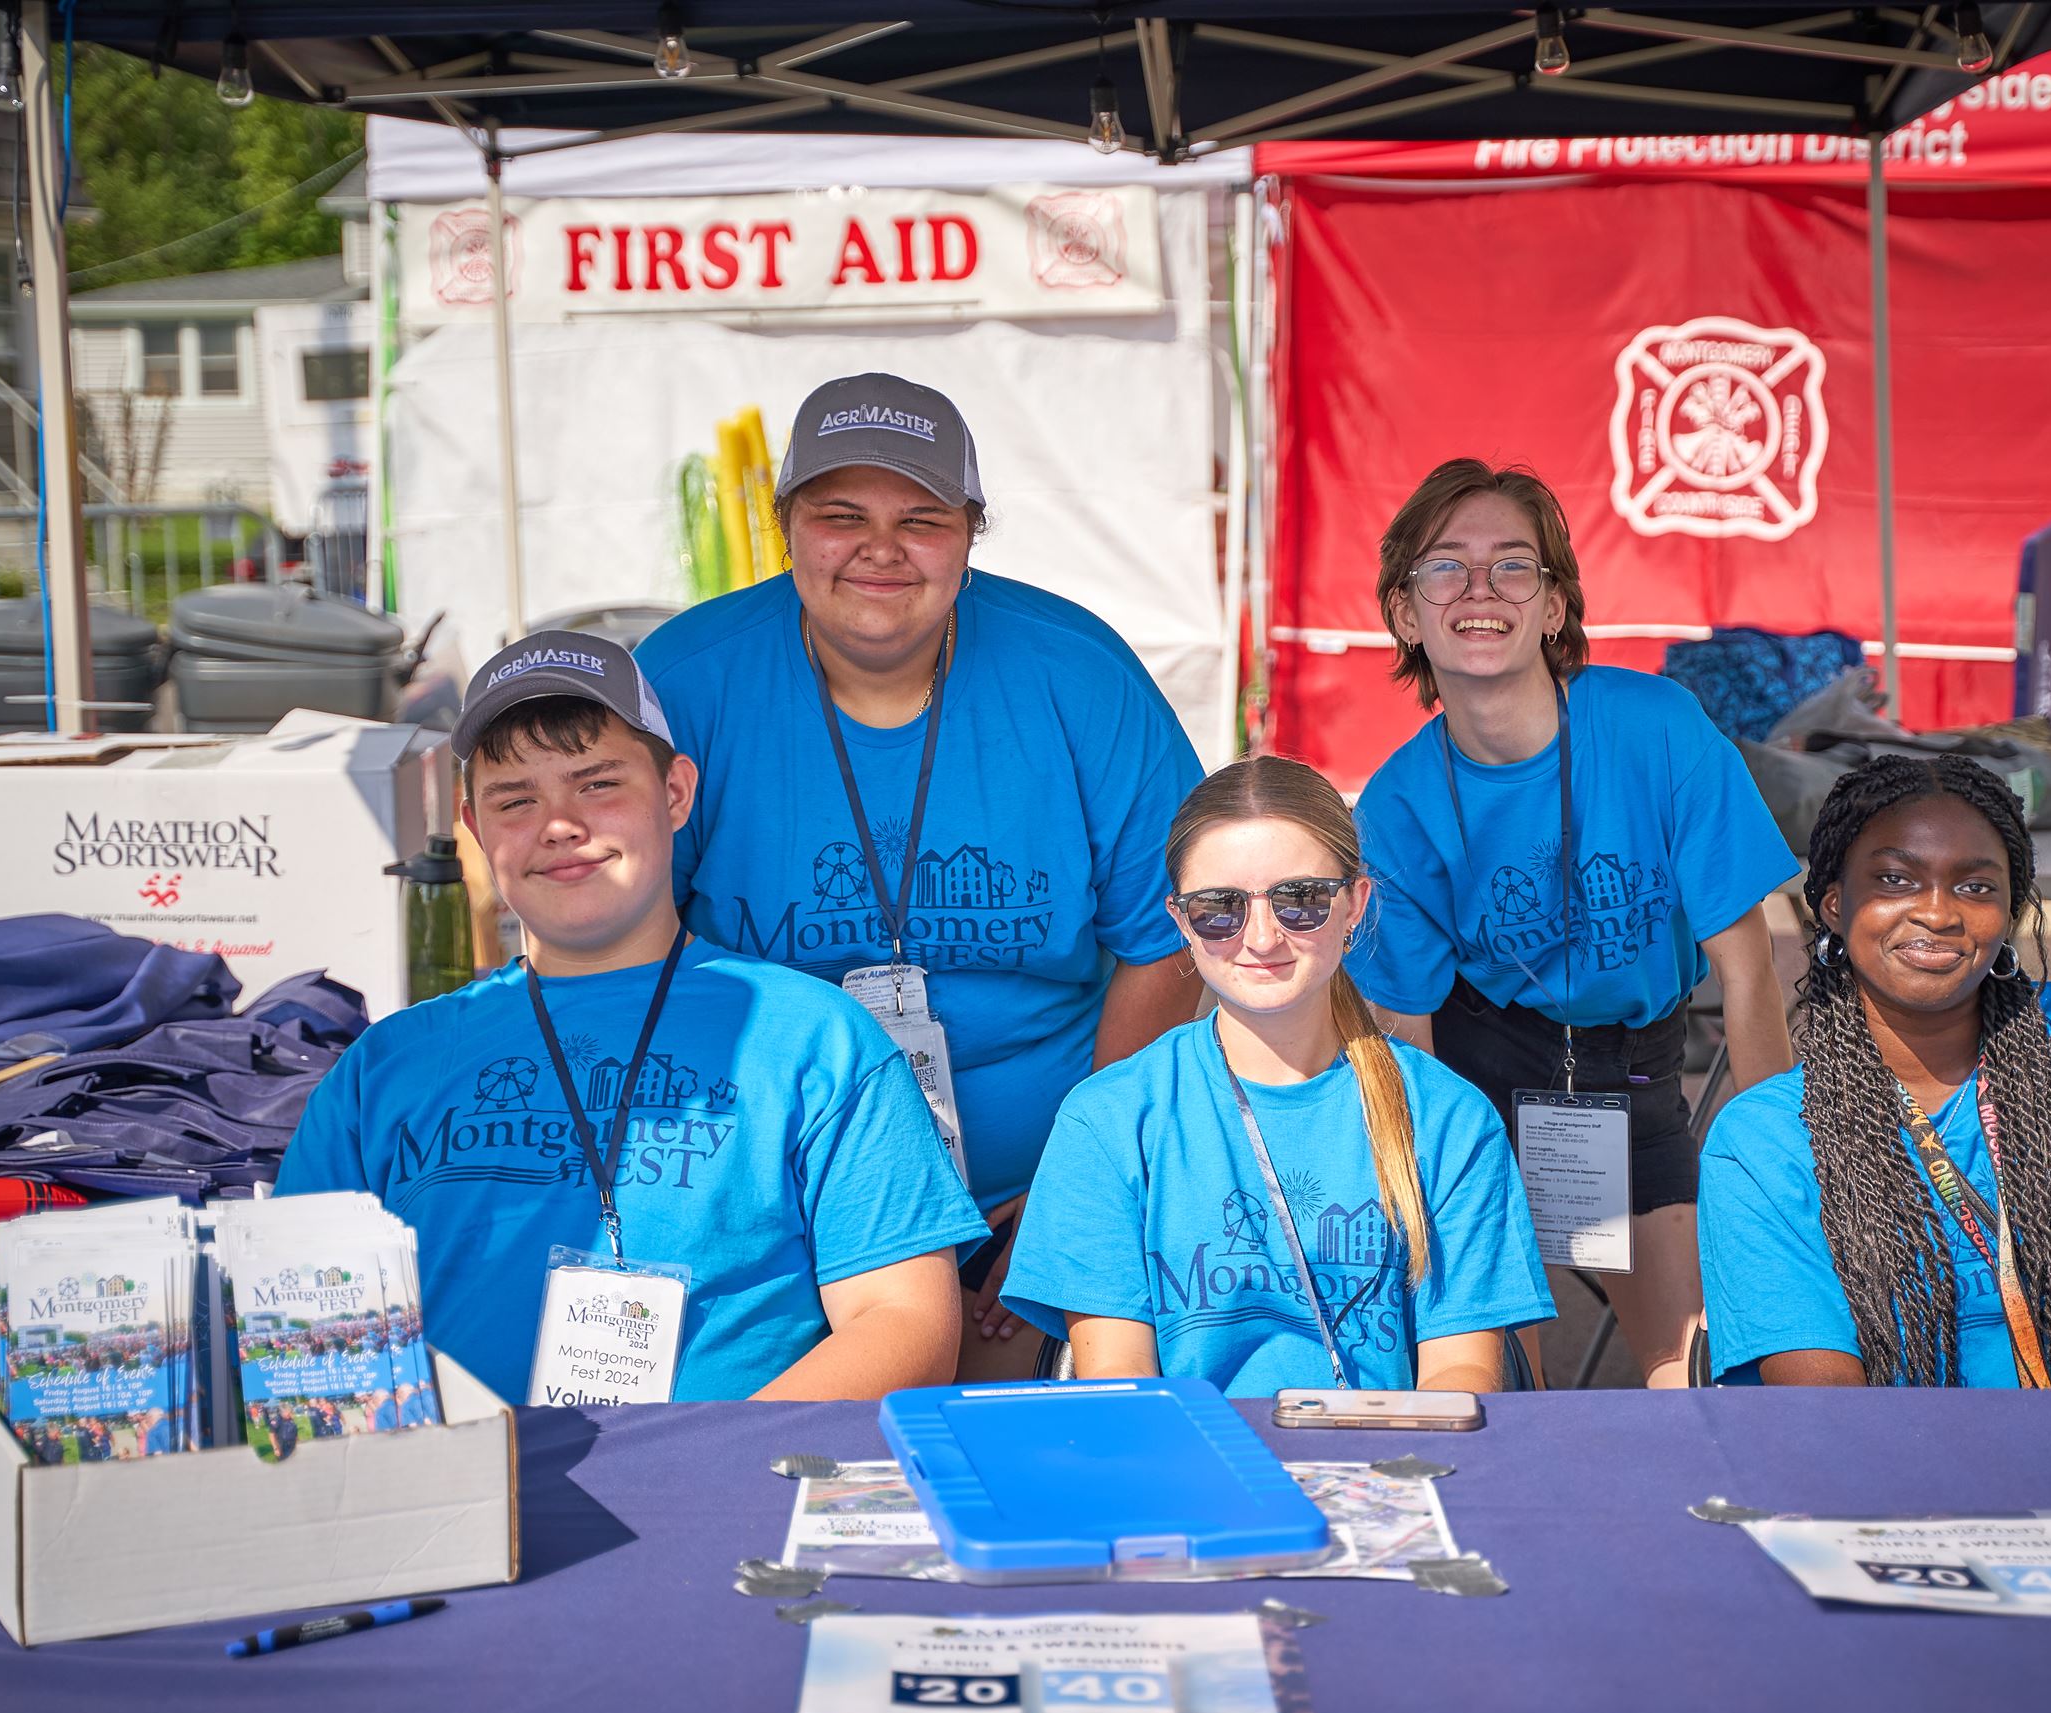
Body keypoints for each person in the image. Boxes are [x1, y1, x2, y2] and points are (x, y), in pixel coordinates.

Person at [637, 374, 1204, 1379]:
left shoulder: (1077, 673)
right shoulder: (686, 680)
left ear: (972, 533)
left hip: (1030, 1190)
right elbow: (627, 944)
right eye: (840, 515)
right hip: (773, 1189)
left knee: (1013, 1460)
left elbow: (1164, 941)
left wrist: (1083, 1185)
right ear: (784, 526)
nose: (880, 549)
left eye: (922, 518)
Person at [278, 631, 984, 1402]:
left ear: (676, 793)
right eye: (516, 799)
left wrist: (700, 1466)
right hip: (456, 1501)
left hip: (723, 1499)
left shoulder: (818, 1038)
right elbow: (298, 1331)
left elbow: (905, 1322)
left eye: (597, 784)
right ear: (476, 829)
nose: (558, 823)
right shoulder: (385, 1067)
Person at [1349, 460, 1796, 1388]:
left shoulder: (1660, 727)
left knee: (1703, 1378)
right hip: (1482, 1067)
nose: (1480, 591)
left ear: (1554, 607)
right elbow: (1412, 1043)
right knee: (1500, 1386)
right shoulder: (1395, 807)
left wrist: (1771, 1178)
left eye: (1513, 566)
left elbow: (1749, 974)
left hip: (1632, 1069)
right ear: (1404, 613)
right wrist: (1432, 1206)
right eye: (1446, 568)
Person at [1696, 755, 2051, 1387]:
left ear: (2010, 912)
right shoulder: (1761, 1143)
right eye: (1895, 880)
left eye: (1976, 887)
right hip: (1912, 1475)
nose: (1939, 913)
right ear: (1835, 907)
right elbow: (1827, 1413)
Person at [1001, 757, 1552, 1394]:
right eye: (1219, 908)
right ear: (1180, 921)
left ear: (1355, 905)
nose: (1261, 937)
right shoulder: (1107, 1119)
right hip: (1191, 1475)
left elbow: (1461, 1374)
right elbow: (1119, 1384)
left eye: (1300, 900)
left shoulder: (1450, 1118)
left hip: (1389, 1472)